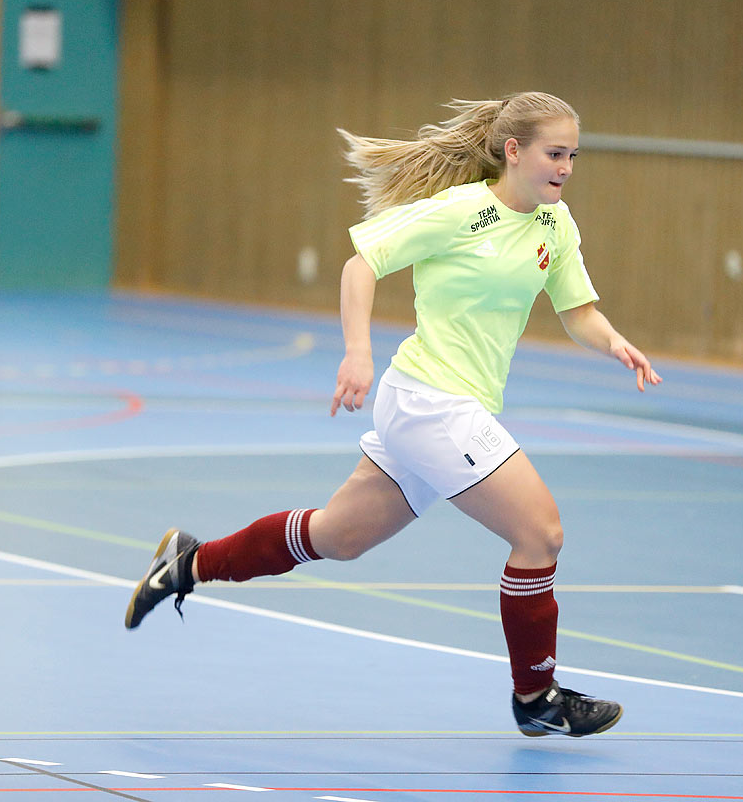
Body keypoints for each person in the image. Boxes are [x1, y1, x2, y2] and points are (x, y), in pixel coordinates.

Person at [125, 92, 661, 737]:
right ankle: (535, 698)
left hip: (449, 407)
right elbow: (362, 263)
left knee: (337, 538)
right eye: (555, 153)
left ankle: (187, 562)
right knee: (540, 534)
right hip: (431, 400)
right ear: (513, 151)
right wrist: (357, 352)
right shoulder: (460, 212)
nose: (566, 167)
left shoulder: (556, 224)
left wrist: (615, 343)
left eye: (574, 155)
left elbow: (577, 312)